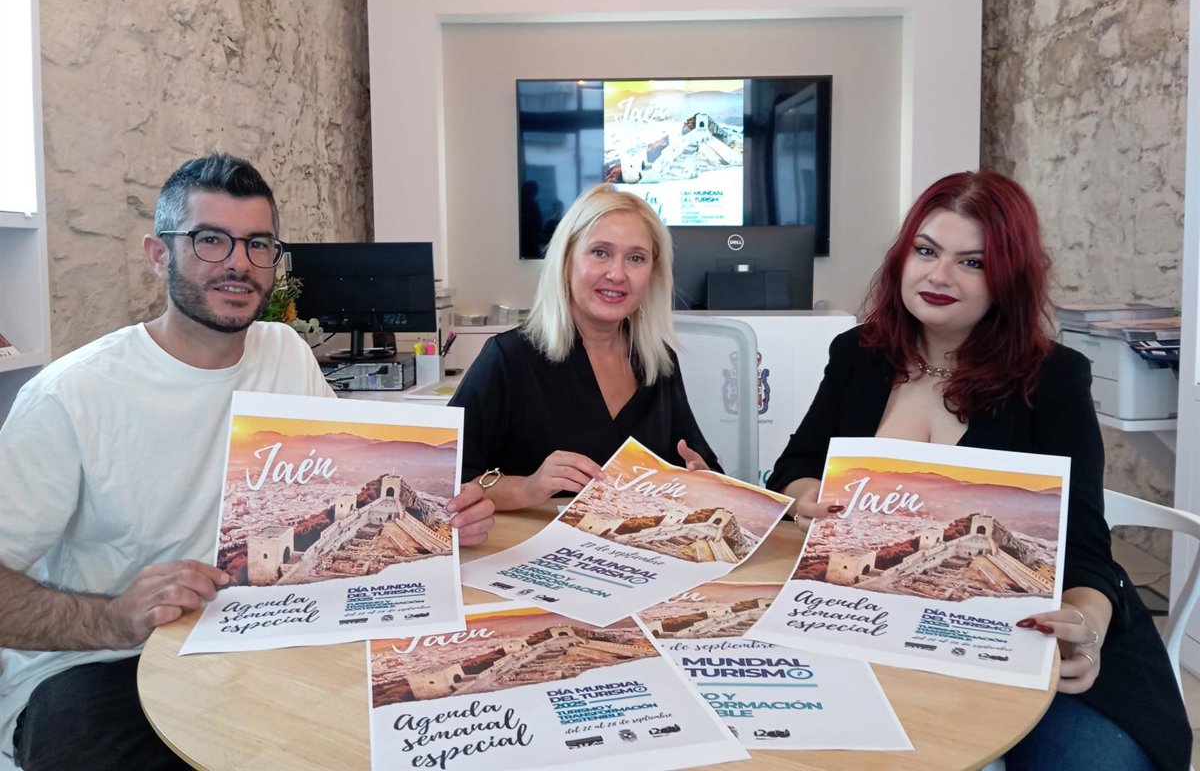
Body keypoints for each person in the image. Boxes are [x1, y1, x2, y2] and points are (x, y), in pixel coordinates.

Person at [0, 154, 495, 770]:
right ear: (159, 254)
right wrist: (114, 619)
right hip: (102, 668)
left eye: (257, 244)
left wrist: (447, 516)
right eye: (210, 239)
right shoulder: (70, 397)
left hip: (258, 638)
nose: (238, 262)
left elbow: (337, 482)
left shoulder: (285, 352)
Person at [768, 171, 1189, 771]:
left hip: (1026, 630)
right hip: (870, 619)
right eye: (926, 251)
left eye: (973, 262)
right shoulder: (859, 354)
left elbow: (1085, 544)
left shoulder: (1053, 379)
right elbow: (795, 465)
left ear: (1008, 278)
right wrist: (807, 494)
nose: (939, 276)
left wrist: (1087, 625)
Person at [450, 183, 720, 510]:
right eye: (600, 252)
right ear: (566, 261)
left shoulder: (658, 361)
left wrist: (703, 480)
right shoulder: (509, 358)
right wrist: (527, 488)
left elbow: (699, 463)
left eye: (636, 258)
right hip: (526, 540)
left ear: (652, 274)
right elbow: (443, 479)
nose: (617, 273)